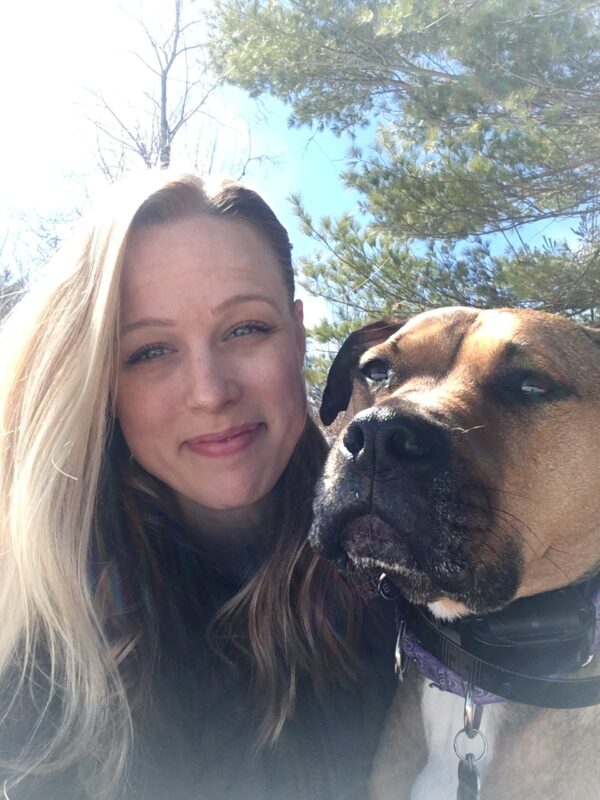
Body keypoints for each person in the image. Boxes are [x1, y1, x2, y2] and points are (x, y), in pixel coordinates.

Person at [0, 171, 395, 800]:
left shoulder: (414, 578)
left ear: (296, 336)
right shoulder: (43, 643)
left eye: (245, 329)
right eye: (151, 351)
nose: (211, 392)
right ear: (105, 384)